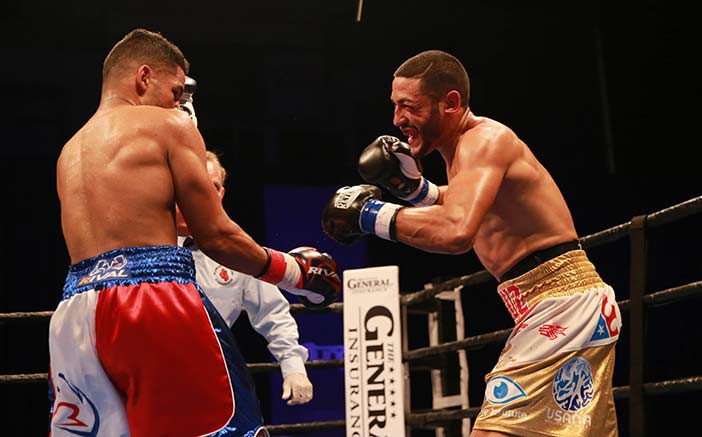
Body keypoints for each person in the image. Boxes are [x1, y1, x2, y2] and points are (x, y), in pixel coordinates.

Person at [51, 28, 340, 437]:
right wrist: (294, 272)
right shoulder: (167, 124)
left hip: (74, 313)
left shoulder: (70, 151)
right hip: (149, 300)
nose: (178, 103)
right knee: (227, 429)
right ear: (143, 77)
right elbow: (214, 235)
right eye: (174, 91)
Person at [322, 50, 621, 436]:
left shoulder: (483, 140)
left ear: (450, 103)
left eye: (408, 106)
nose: (397, 120)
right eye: (394, 106)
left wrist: (370, 216)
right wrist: (415, 191)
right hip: (558, 303)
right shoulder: (467, 151)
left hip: (561, 304)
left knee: (492, 430)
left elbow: (456, 231)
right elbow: (466, 205)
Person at [176, 148, 315, 406]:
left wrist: (293, 365)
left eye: (213, 186)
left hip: (208, 379)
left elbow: (272, 311)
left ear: (220, 194)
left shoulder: (237, 250)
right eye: (196, 186)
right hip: (146, 375)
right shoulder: (145, 241)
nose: (204, 194)